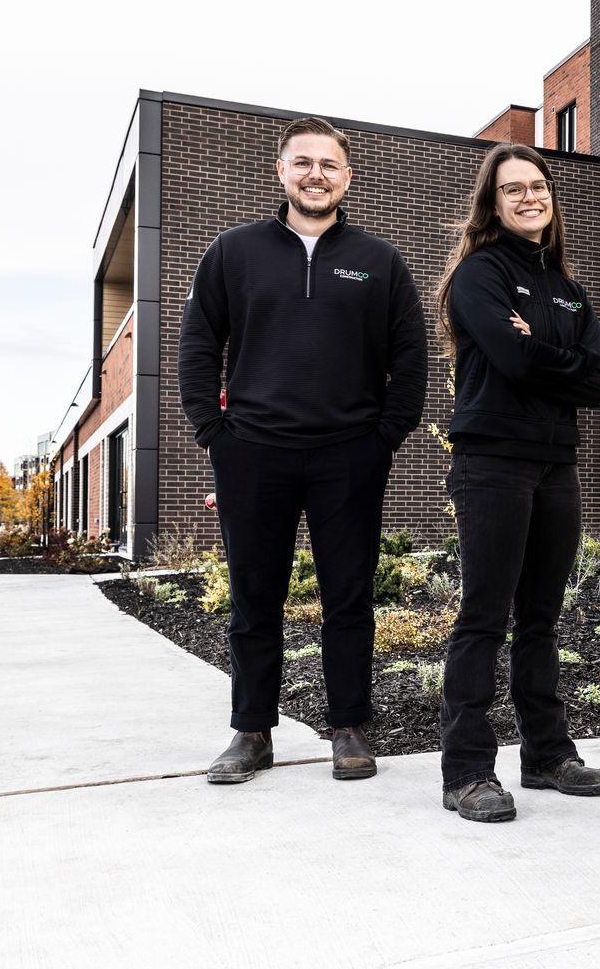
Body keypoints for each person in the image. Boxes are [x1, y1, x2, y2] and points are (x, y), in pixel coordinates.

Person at [178, 115, 428, 784]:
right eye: (303, 162)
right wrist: (215, 434)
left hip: (350, 455)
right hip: (253, 453)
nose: (315, 173)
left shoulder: (379, 261)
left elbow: (410, 356)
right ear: (281, 171)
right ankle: (251, 731)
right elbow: (198, 345)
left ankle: (349, 727)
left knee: (349, 597)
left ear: (348, 177)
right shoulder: (233, 252)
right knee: (253, 600)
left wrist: (384, 438)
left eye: (329, 164)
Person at [433, 142, 600, 823]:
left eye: (538, 186)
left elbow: (598, 380)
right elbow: (508, 358)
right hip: (491, 463)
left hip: (555, 462)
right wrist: (552, 352)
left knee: (541, 617)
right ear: (494, 203)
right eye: (514, 189)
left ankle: (546, 754)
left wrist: (539, 346)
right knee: (484, 614)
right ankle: (468, 769)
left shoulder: (569, 288)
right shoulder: (479, 273)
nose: (529, 197)